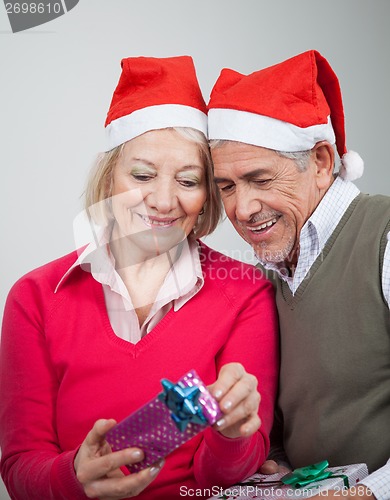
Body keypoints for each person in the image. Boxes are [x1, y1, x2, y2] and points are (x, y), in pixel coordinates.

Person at [0, 56, 279, 499]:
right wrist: (72, 476)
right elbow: (19, 469)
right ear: (110, 176)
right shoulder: (35, 298)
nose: (164, 201)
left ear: (207, 194)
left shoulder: (246, 295)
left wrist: (233, 434)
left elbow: (220, 478)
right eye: (143, 175)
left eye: (188, 181)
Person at [207, 50, 390, 500]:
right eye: (226, 187)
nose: (242, 209)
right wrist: (276, 464)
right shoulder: (264, 278)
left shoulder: (383, 239)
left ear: (323, 162)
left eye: (261, 179)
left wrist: (366, 493)